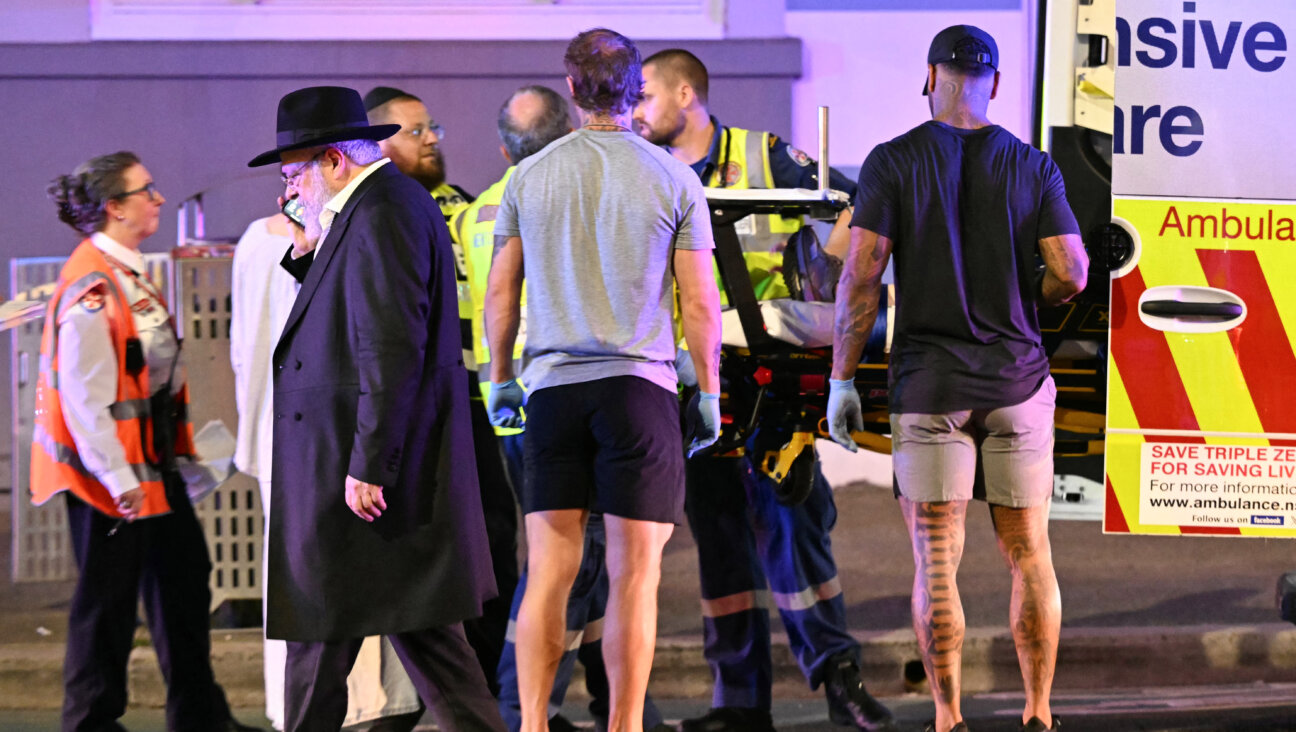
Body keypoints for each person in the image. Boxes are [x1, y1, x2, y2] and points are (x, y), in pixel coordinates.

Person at [827, 25, 1088, 732]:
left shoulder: (893, 160)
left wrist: (842, 380)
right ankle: (1038, 713)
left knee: (936, 561)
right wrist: (1028, 299)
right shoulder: (1032, 165)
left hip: (930, 390)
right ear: (995, 83)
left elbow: (860, 276)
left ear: (929, 76)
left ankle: (948, 718)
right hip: (1017, 384)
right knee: (1030, 556)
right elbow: (1072, 271)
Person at [633, 49, 895, 732]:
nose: (634, 112)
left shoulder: (762, 155)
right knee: (720, 541)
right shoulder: (643, 170)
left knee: (795, 528)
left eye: (644, 96)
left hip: (768, 382)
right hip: (693, 385)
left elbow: (862, 203)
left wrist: (826, 267)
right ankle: (739, 703)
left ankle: (839, 680)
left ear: (685, 94)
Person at [247, 85, 506, 732]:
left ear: (333, 161)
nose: (290, 190)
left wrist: (371, 462)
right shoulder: (374, 208)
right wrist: (309, 252)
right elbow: (352, 315)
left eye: (293, 175)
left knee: (326, 635)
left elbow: (390, 345)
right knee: (418, 641)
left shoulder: (383, 212)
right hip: (362, 467)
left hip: (359, 472)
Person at [485, 29, 722, 732]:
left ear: (571, 88)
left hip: (554, 392)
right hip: (638, 394)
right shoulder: (673, 177)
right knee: (634, 579)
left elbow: (501, 292)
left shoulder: (528, 177)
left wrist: (501, 377)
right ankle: (624, 724)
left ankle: (531, 723)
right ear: (634, 90)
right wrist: (709, 392)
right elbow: (700, 303)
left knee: (548, 572)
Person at [453, 84, 669, 732]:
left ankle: (578, 701)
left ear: (504, 150)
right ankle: (538, 704)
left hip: (513, 397)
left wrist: (496, 380)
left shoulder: (477, 212)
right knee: (585, 560)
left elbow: (485, 300)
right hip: (580, 381)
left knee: (559, 556)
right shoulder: (582, 188)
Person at [34, 151, 259, 732]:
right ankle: (90, 722)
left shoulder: (125, 272)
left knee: (183, 579)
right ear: (115, 207)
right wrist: (118, 478)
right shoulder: (94, 286)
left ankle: (200, 716)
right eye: (146, 190)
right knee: (108, 602)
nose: (158, 199)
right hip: (112, 475)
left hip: (151, 464)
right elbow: (85, 400)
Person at [230, 214, 423, 732]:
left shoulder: (253, 240)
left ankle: (300, 710)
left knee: (297, 583)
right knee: (337, 578)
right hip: (326, 439)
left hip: (276, 433)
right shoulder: (338, 237)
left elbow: (241, 348)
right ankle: (362, 707)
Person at [367, 86, 519, 694]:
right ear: (379, 143)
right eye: (415, 131)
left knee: (494, 537)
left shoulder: (463, 205)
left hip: (476, 399)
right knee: (430, 548)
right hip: (415, 408)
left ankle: (493, 688)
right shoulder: (375, 211)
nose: (431, 138)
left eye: (433, 128)